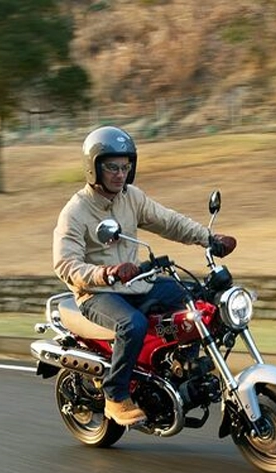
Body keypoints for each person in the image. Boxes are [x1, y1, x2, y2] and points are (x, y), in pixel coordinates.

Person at [52, 126, 237, 426]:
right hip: (97, 293)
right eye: (112, 166)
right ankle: (116, 396)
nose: (119, 174)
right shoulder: (76, 211)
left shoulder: (131, 197)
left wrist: (209, 238)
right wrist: (105, 273)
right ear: (94, 167)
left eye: (125, 167)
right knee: (132, 324)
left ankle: (181, 364)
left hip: (136, 283)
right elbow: (65, 265)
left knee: (199, 298)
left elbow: (168, 221)